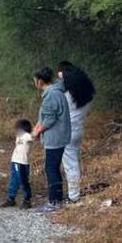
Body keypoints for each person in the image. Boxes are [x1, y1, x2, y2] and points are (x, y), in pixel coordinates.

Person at [32, 67, 71, 213]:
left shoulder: (51, 95)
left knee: (51, 168)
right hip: (59, 136)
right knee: (53, 167)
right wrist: (36, 129)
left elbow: (49, 119)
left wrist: (36, 133)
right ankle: (57, 200)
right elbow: (45, 117)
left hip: (55, 137)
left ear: (40, 81)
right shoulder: (56, 92)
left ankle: (54, 202)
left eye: (35, 81)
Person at [57, 61, 96, 203]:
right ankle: (74, 192)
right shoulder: (86, 97)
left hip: (67, 131)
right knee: (74, 161)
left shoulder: (66, 96)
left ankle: (73, 196)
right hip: (78, 129)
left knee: (70, 164)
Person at [2, 119, 34, 209]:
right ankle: (11, 198)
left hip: (22, 163)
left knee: (23, 181)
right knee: (13, 180)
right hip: (15, 161)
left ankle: (27, 200)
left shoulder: (27, 136)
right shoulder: (19, 136)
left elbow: (33, 137)